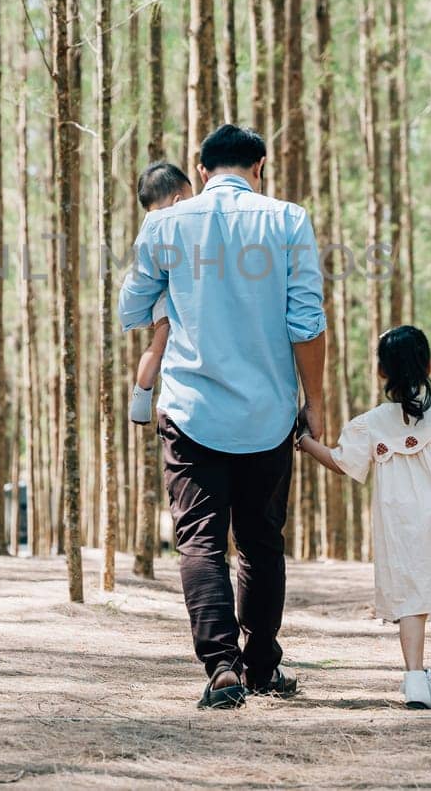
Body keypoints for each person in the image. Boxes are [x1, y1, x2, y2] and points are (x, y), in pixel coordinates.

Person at [118, 124, 326, 709]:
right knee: (261, 543)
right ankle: (262, 666)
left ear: (202, 170)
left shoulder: (164, 224)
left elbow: (131, 306)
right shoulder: (289, 220)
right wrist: (315, 402)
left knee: (199, 542)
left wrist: (169, 297)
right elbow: (307, 323)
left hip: (191, 412)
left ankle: (221, 669)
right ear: (260, 165)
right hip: (266, 415)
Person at [299, 326, 431, 709]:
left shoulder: (370, 423)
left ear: (381, 372)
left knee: (412, 602)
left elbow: (341, 462)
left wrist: (305, 443)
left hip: (400, 522)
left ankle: (415, 680)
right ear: (428, 364)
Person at [126, 162, 193, 425]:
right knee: (161, 341)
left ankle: (141, 394)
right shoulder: (173, 224)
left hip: (163, 295)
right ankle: (141, 397)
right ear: (178, 200)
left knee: (160, 343)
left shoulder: (150, 227)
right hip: (168, 295)